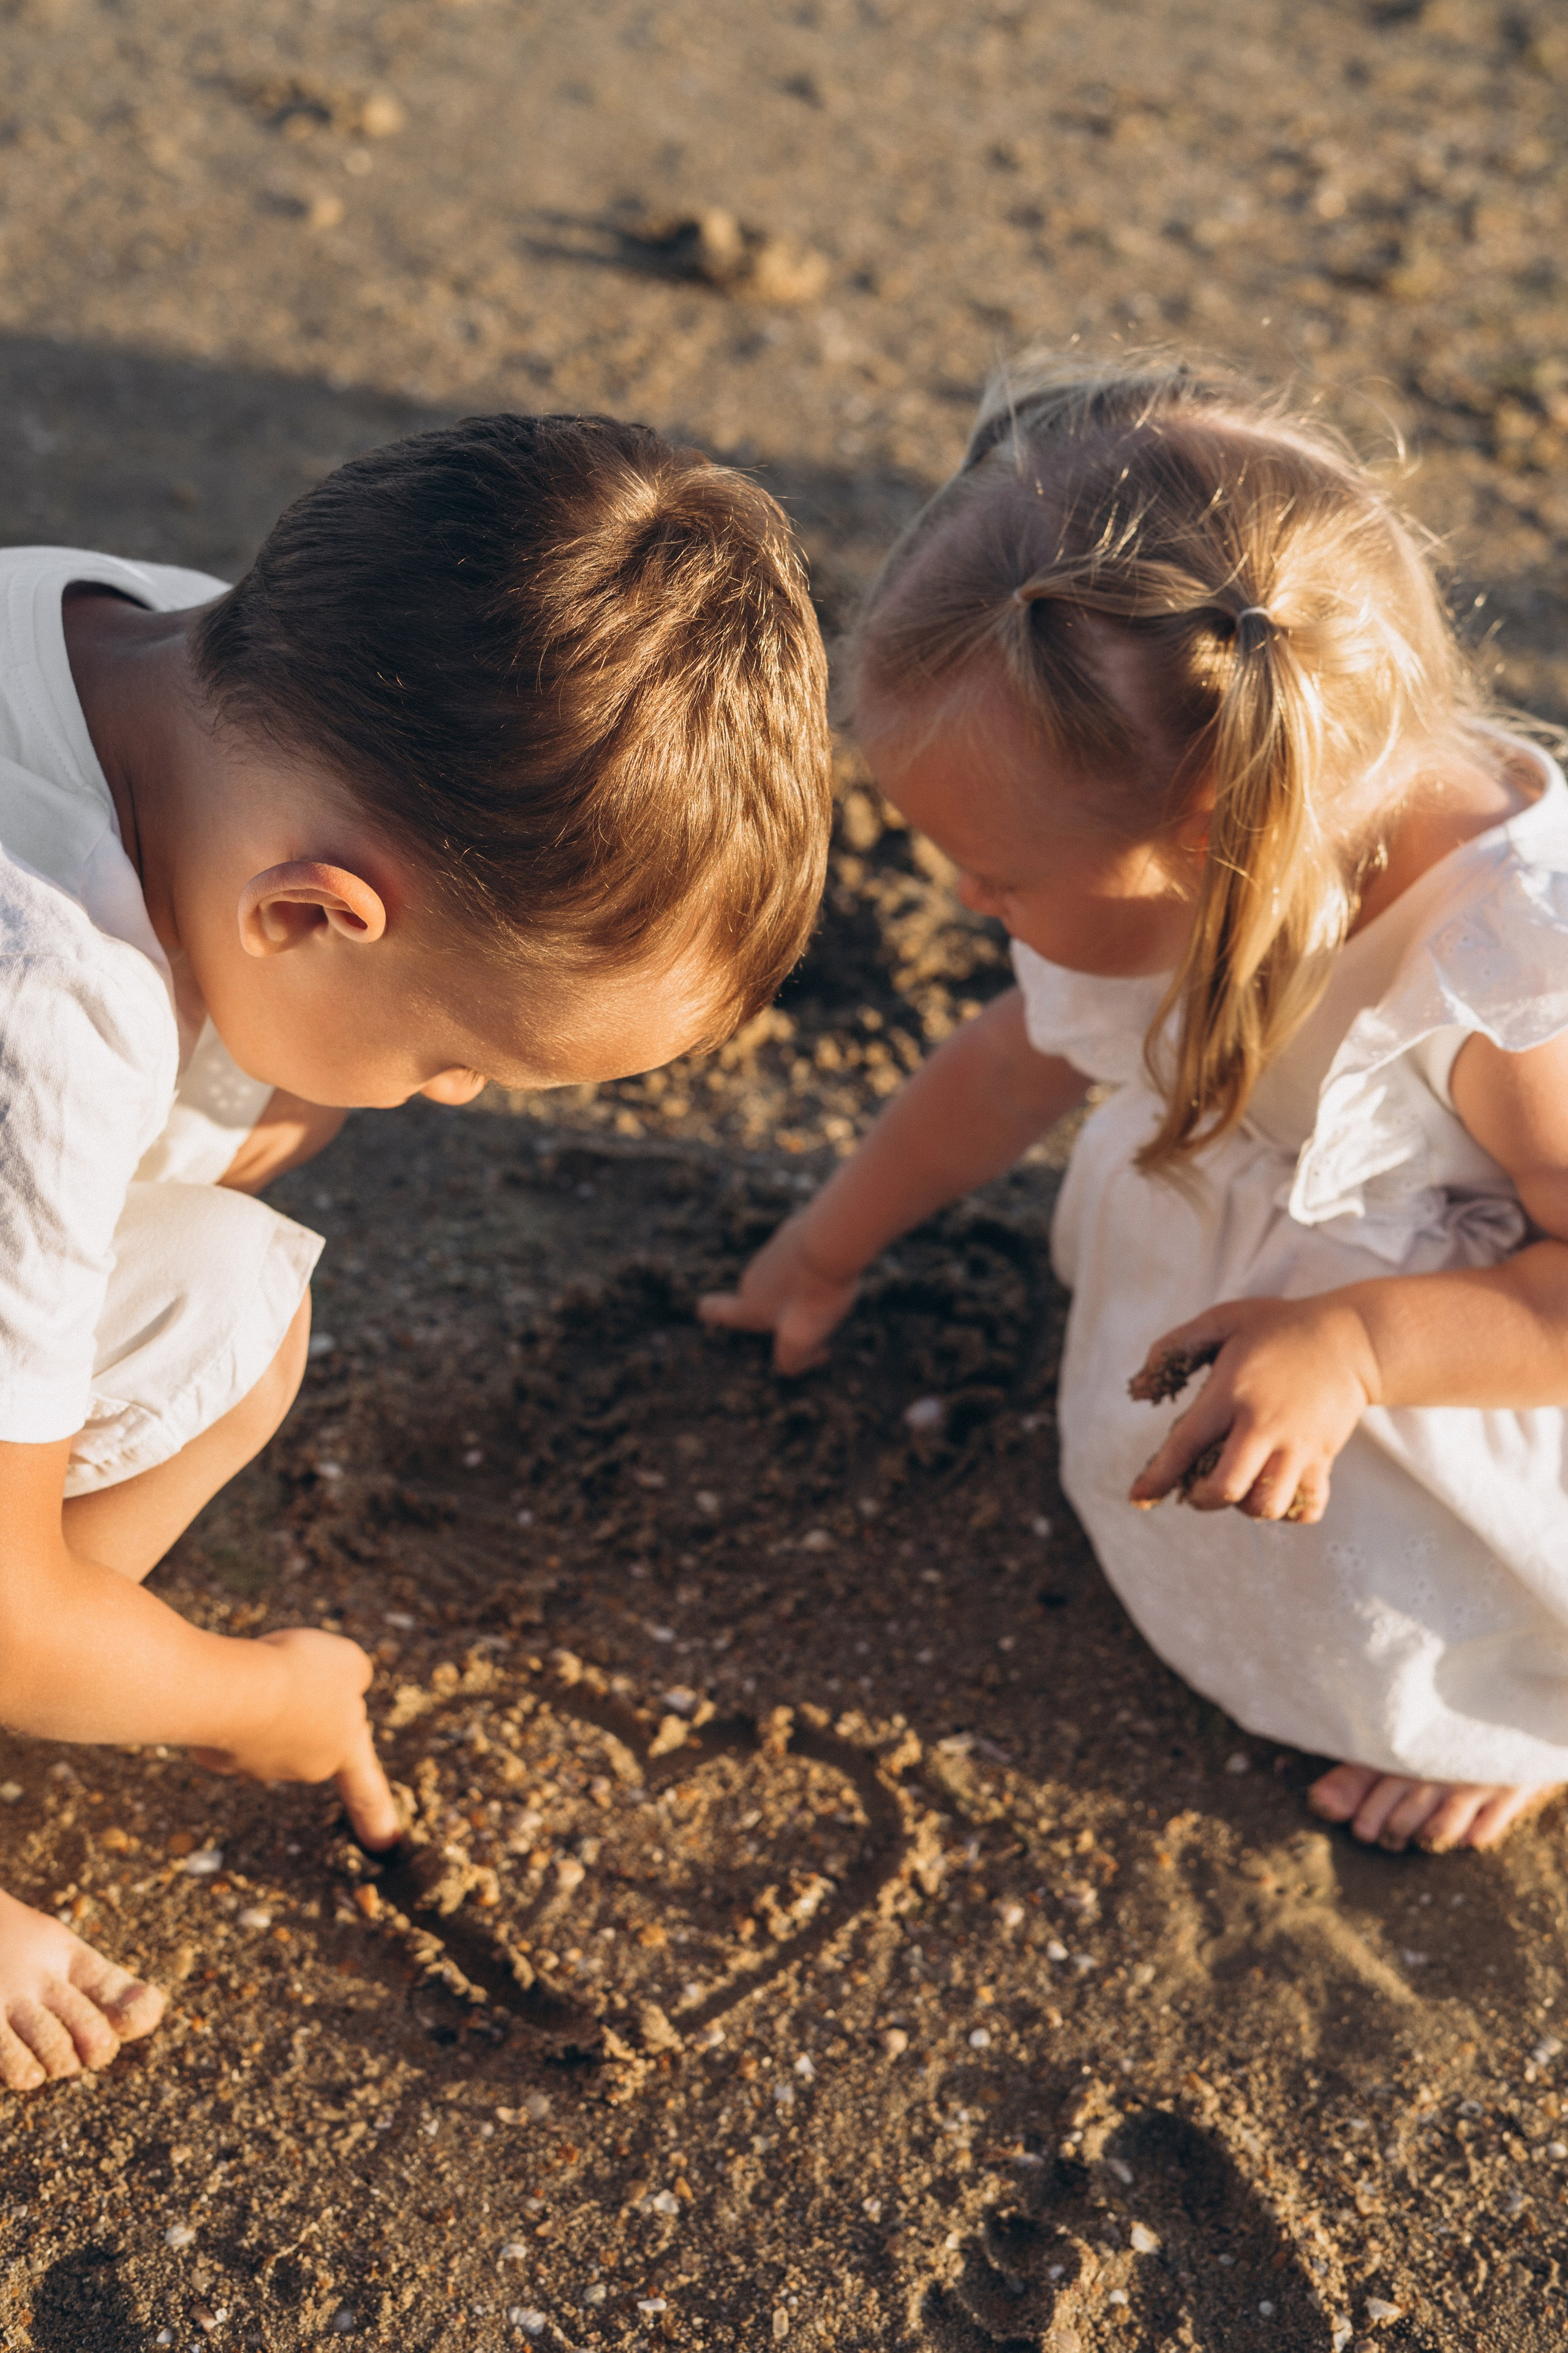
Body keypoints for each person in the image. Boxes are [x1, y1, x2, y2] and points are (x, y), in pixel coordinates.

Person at [0, 412, 831, 2090]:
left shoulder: (155, 635)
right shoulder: (43, 1004)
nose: (446, 1098)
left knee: (236, 1301)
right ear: (307, 911)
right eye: (459, 1058)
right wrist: (247, 1695)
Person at [703, 352, 1568, 1860]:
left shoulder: (1504, 987)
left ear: (1213, 835)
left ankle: (1522, 1698)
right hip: (1291, 1304)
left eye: (997, 875)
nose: (963, 903)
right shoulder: (1199, 861)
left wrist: (1358, 1345)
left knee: (1419, 1621)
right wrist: (825, 1245)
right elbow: (1006, 1063)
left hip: (1485, 1350)